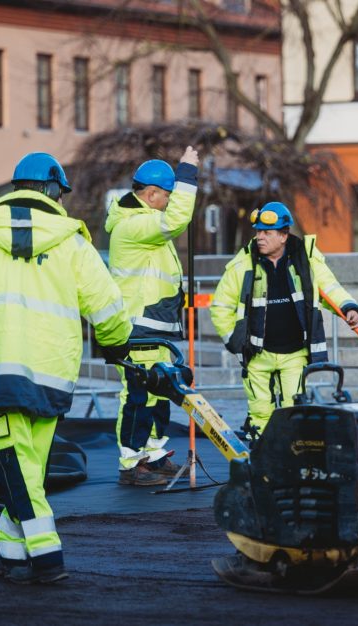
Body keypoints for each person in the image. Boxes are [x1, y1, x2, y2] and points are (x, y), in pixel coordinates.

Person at [0, 153, 132, 583]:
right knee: (27, 464)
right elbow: (109, 308)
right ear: (55, 191)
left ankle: (40, 553)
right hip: (52, 368)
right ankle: (25, 556)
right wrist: (116, 344)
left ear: (15, 187)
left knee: (20, 466)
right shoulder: (73, 241)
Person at [210, 202, 358, 437]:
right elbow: (221, 306)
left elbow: (330, 287)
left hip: (294, 353)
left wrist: (348, 307)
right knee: (260, 413)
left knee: (294, 410)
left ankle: (290, 458)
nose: (260, 237)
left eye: (266, 233)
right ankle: (261, 460)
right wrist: (235, 341)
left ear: (283, 236)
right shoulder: (242, 264)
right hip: (257, 354)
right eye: (258, 232)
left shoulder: (306, 259)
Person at [105, 147, 199, 486]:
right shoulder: (135, 224)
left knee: (158, 392)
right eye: (169, 196)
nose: (171, 203)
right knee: (138, 395)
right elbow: (178, 220)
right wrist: (188, 174)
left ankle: (153, 454)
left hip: (154, 326)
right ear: (152, 194)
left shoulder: (144, 223)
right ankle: (132, 462)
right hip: (139, 326)